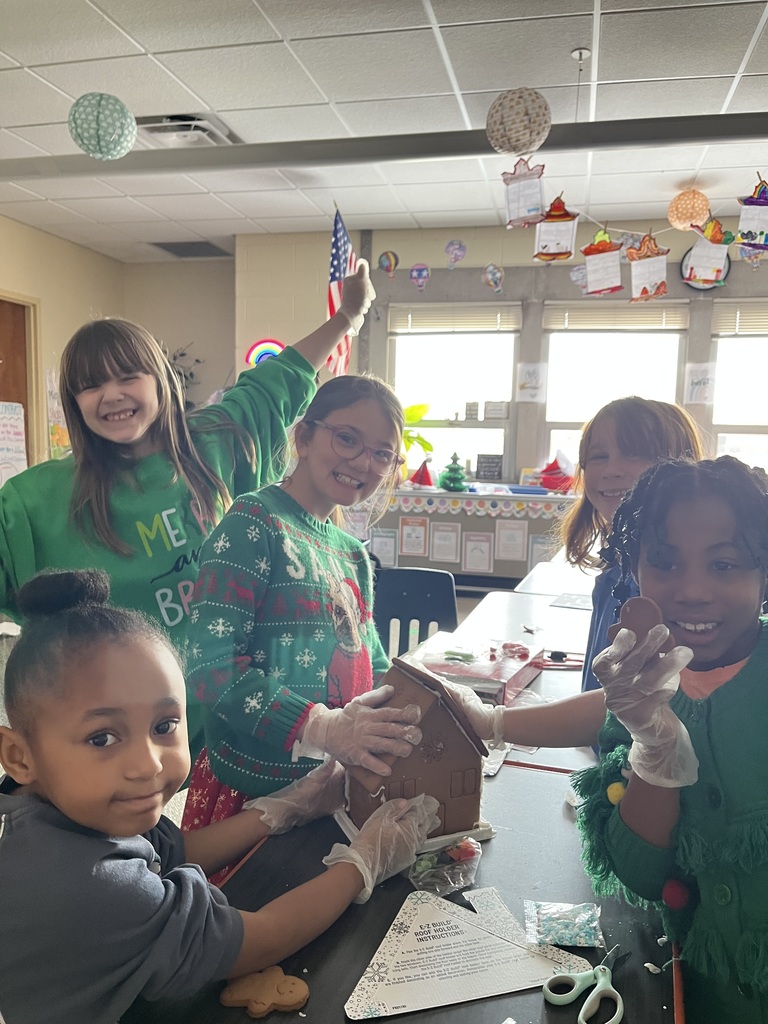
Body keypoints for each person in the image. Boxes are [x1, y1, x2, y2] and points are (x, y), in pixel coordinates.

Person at [0, 569, 438, 1024]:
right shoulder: (89, 887)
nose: (148, 764)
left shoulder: (48, 804)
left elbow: (173, 851)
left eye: (164, 726)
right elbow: (262, 940)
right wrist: (364, 862)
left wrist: (284, 808)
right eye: (102, 738)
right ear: (19, 754)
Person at [0, 261, 374, 755]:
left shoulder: (217, 442)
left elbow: (281, 379)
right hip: (127, 727)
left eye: (128, 376)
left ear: (158, 380)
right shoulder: (35, 500)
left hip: (237, 703)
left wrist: (348, 315)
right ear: (74, 401)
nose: (111, 396)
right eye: (91, 386)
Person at [181, 373, 421, 875]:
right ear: (304, 437)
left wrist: (425, 704)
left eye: (383, 454)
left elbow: (374, 668)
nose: (363, 462)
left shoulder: (351, 554)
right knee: (250, 936)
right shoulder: (255, 522)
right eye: (348, 438)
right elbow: (210, 667)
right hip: (253, 793)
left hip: (333, 785)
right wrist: (320, 724)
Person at [571, 456, 768, 1023]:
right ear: (635, 569)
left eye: (725, 564)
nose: (693, 591)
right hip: (701, 997)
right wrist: (653, 747)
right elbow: (642, 876)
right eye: (664, 562)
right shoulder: (637, 692)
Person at [559, 397, 704, 693]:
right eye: (599, 457)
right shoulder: (616, 569)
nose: (612, 470)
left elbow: (634, 704)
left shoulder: (675, 584)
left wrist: (499, 722)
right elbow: (600, 693)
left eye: (634, 454)